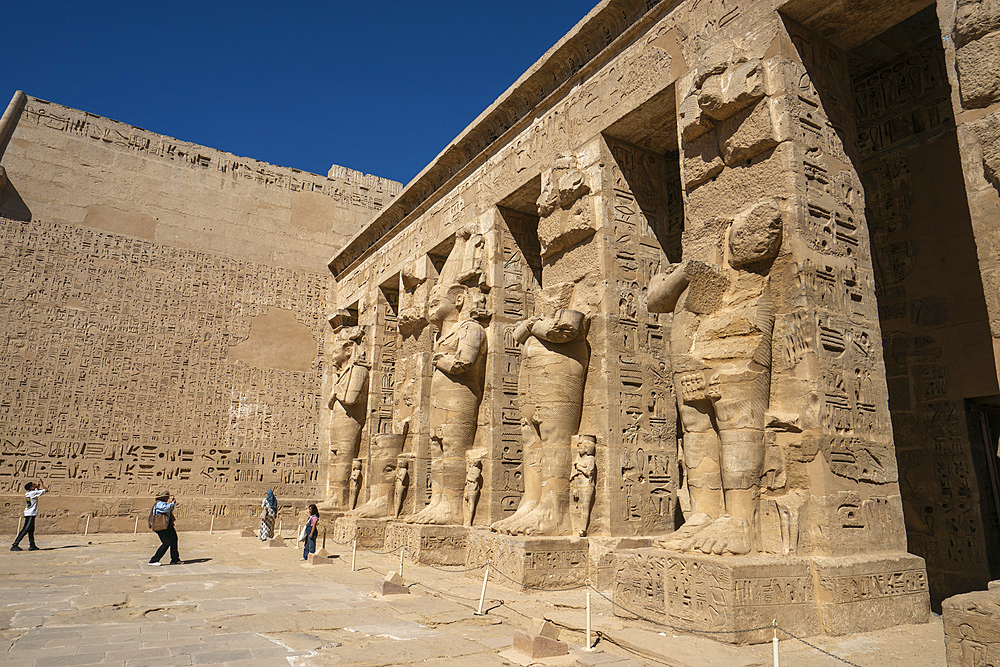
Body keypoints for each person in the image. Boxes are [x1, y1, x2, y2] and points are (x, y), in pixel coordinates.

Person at [11, 480, 47, 551]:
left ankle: (32, 545)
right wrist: (41, 484)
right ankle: (15, 544)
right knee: (26, 529)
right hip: (30, 514)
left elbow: (37, 490)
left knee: (31, 530)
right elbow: (45, 490)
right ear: (31, 488)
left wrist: (37, 486)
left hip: (29, 513)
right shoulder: (33, 493)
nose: (35, 485)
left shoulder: (29, 493)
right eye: (34, 485)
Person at [148, 491, 181, 565]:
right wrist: (172, 503)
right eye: (167, 497)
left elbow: (169, 510)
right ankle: (154, 560)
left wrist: (172, 504)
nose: (168, 498)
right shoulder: (160, 503)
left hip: (167, 525)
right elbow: (165, 509)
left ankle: (175, 559)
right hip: (161, 525)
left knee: (174, 540)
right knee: (166, 542)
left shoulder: (163, 503)